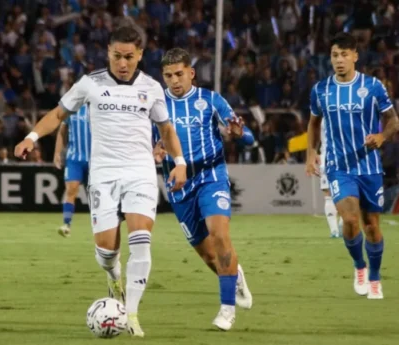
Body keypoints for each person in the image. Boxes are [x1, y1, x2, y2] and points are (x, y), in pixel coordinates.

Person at [14, 27, 187, 337]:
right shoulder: (90, 84)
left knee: (141, 239)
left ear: (140, 56)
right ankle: (113, 275)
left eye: (129, 57)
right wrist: (31, 136)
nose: (123, 63)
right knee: (107, 251)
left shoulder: (151, 87)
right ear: (108, 52)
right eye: (117, 56)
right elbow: (58, 114)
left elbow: (167, 130)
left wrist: (180, 163)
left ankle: (131, 314)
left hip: (140, 171)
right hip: (104, 173)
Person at [152, 48, 253, 331]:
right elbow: (150, 145)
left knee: (219, 235)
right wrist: (155, 153)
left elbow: (248, 136)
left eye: (179, 74)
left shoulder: (210, 100)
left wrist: (237, 134)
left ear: (191, 73)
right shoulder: (156, 106)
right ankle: (236, 276)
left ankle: (226, 311)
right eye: (168, 75)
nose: (174, 80)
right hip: (178, 184)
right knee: (209, 254)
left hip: (211, 175)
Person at [306, 33, 399, 300]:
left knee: (371, 225)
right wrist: (311, 153)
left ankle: (375, 277)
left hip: (369, 166)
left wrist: (381, 137)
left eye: (344, 55)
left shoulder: (372, 86)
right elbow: (313, 123)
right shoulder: (321, 89)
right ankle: (359, 266)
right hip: (338, 166)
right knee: (349, 219)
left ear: (355, 57)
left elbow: (394, 121)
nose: (339, 60)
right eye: (335, 55)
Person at [53, 104, 91, 237]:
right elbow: (62, 131)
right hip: (74, 159)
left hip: (96, 160)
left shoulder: (100, 106)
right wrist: (57, 153)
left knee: (95, 195)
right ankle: (66, 224)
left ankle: (101, 225)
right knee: (71, 190)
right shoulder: (71, 108)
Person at [319, 117, 342, 238]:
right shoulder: (344, 113)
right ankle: (337, 229)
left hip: (327, 158)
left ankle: (336, 230)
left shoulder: (323, 117)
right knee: (345, 192)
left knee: (328, 194)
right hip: (342, 158)